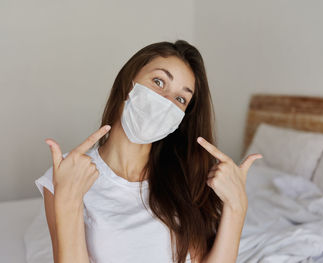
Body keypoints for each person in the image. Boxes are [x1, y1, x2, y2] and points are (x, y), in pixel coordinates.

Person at [35, 40, 262, 263]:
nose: (166, 102)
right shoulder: (67, 173)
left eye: (180, 98)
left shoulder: (183, 176)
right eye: (159, 82)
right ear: (128, 82)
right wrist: (69, 201)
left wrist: (237, 207)